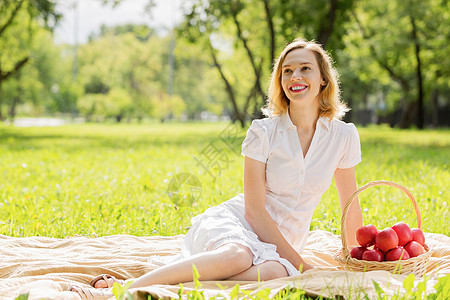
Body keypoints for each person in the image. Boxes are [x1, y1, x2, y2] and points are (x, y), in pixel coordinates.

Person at [70, 37, 363, 297]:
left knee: (276, 274)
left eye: (305, 68)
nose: (294, 76)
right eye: (287, 70)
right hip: (239, 226)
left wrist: (360, 263)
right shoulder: (263, 132)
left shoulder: (343, 136)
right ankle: (122, 291)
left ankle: (162, 284)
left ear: (323, 79)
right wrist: (302, 265)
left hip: (282, 246)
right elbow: (254, 211)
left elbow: (349, 205)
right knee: (239, 257)